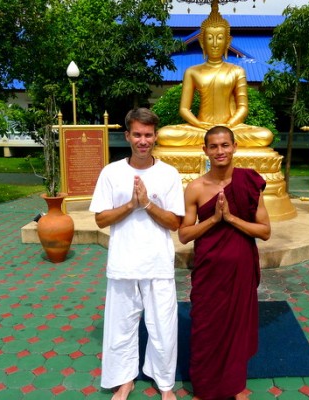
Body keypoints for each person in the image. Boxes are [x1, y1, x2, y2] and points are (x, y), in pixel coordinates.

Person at [89, 108, 184, 400]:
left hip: (157, 263)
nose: (143, 140)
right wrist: (131, 205)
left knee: (164, 326)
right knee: (120, 326)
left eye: (148, 135)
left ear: (156, 136)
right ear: (128, 135)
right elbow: (101, 219)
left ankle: (164, 382)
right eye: (137, 134)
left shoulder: (168, 173)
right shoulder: (112, 172)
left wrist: (147, 205)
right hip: (123, 262)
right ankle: (124, 379)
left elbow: (175, 223)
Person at [178, 126, 271, 399]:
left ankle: (236, 385)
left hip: (240, 270)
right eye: (214, 146)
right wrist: (214, 220)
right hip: (209, 272)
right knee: (205, 327)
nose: (220, 151)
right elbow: (184, 234)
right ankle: (205, 388)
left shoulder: (249, 182)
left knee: (237, 328)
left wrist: (230, 219)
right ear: (205, 150)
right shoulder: (195, 188)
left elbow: (264, 231)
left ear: (235, 147)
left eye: (225, 145)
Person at [156, 3, 273, 148]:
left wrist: (227, 126)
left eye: (220, 38)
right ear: (202, 41)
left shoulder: (237, 71)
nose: (215, 44)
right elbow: (184, 109)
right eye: (210, 38)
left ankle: (220, 139)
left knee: (264, 135)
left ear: (228, 41)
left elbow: (243, 108)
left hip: (231, 128)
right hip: (200, 128)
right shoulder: (192, 72)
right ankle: (219, 141)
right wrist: (199, 124)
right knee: (164, 134)